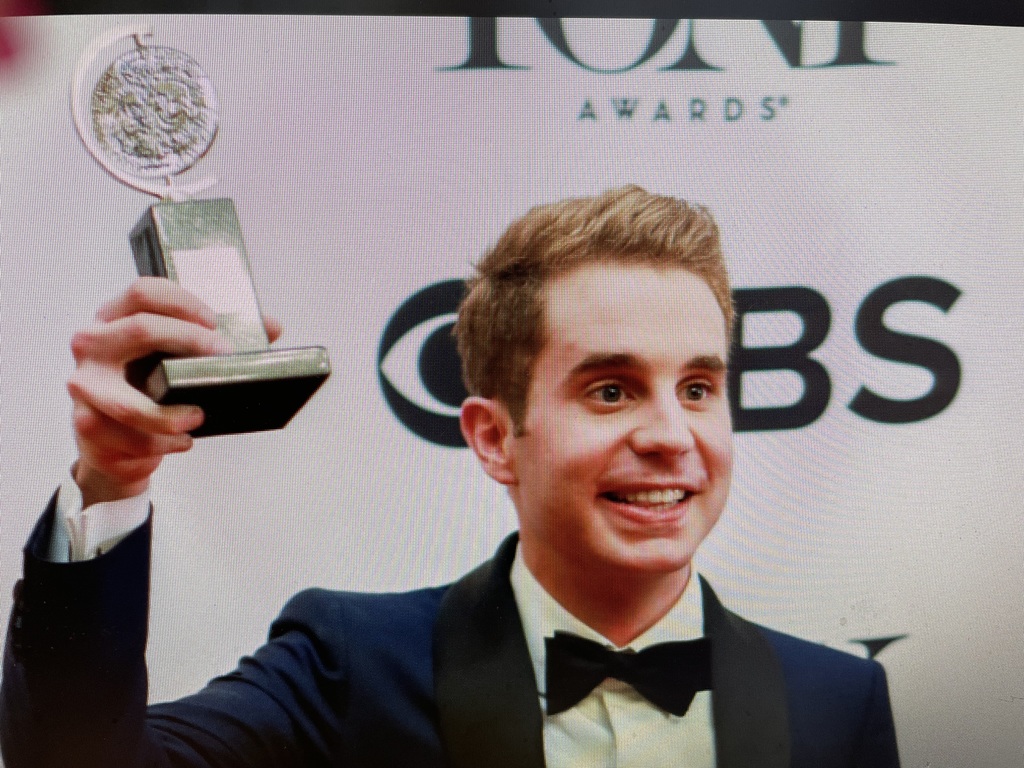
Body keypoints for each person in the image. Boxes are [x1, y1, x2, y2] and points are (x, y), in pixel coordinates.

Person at [1, 186, 900, 767]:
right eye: (612, 390)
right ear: (494, 438)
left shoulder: (838, 699)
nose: (671, 436)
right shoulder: (350, 666)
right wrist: (111, 479)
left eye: (698, 388)